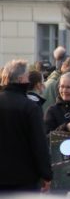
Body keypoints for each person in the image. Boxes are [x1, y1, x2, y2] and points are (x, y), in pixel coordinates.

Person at [0, 60, 52, 191]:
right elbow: (39, 142)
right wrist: (46, 174)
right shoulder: (30, 107)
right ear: (21, 78)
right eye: (28, 76)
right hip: (24, 178)